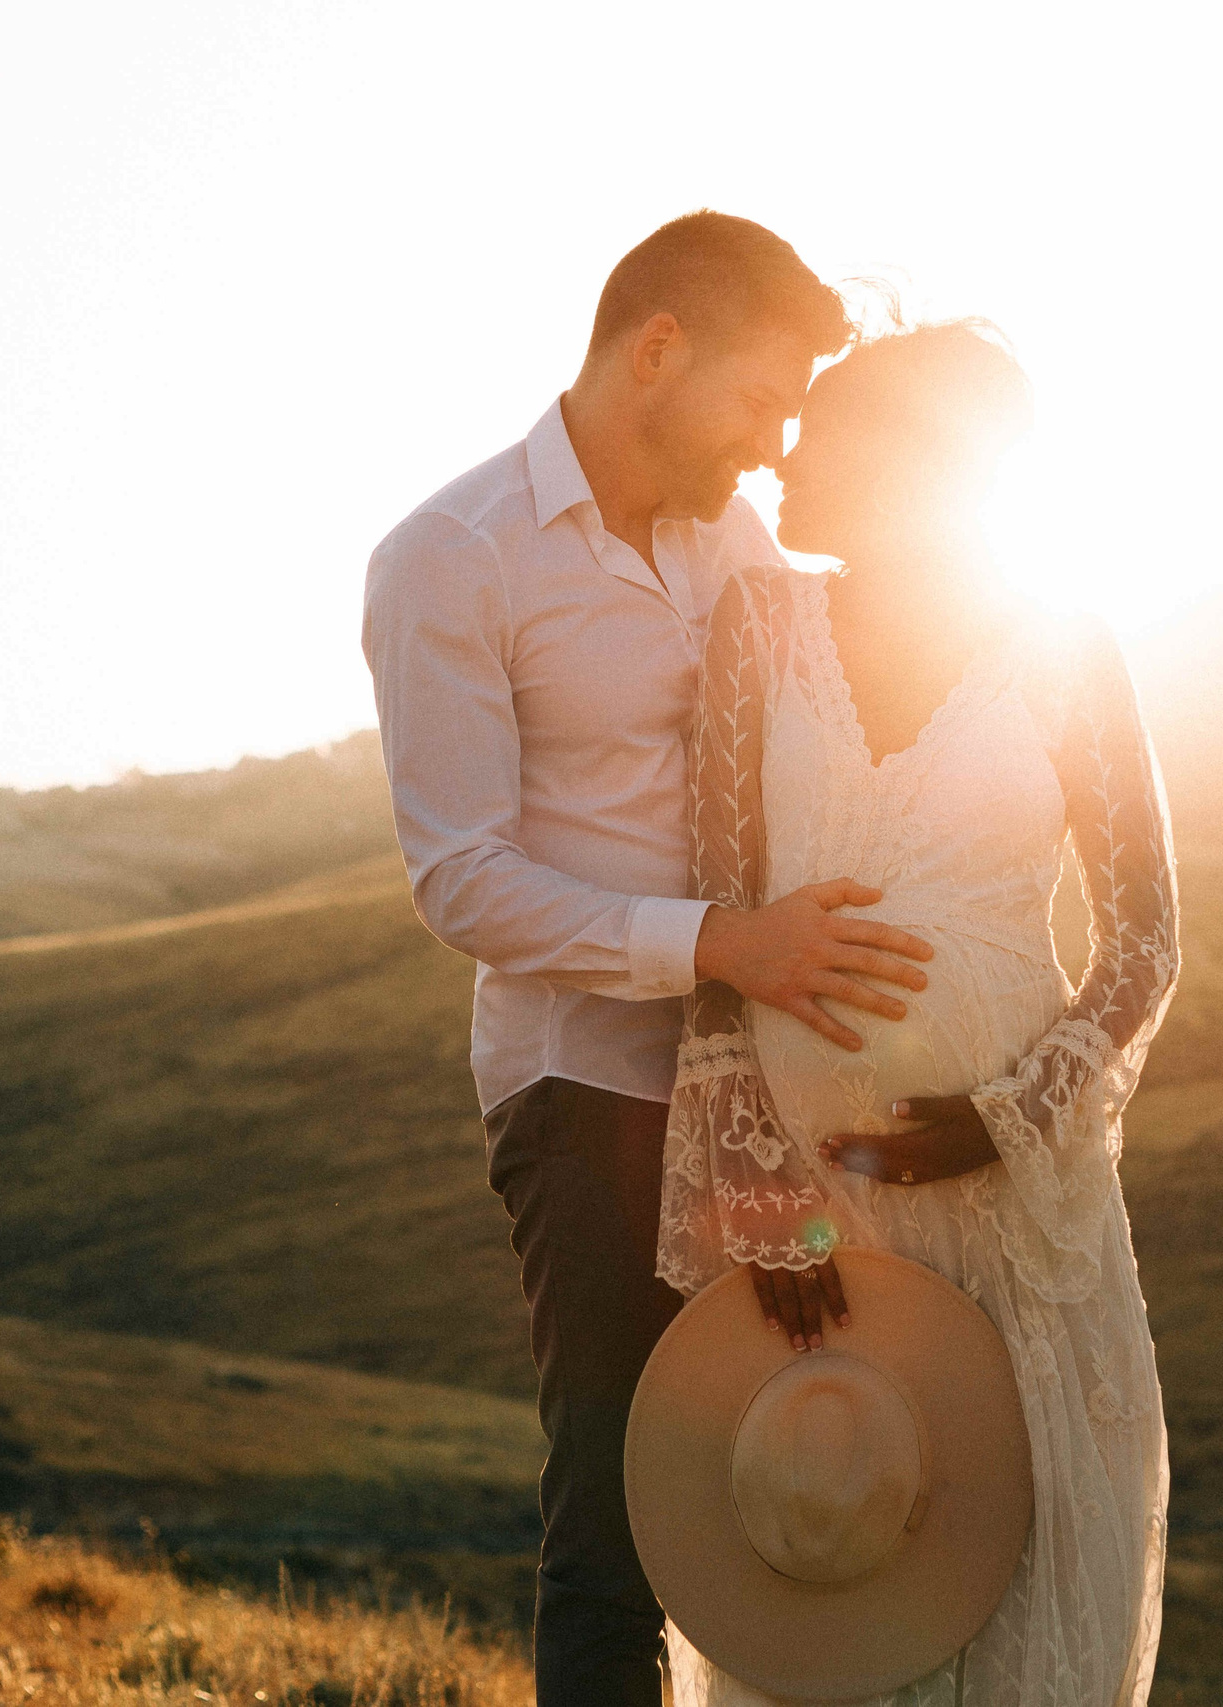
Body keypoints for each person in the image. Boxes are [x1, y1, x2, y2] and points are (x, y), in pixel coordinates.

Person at [360, 212, 937, 1707]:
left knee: (790, 1450)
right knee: (621, 1497)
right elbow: (462, 881)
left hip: (771, 1098)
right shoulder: (449, 559)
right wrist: (718, 946)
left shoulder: (733, 539)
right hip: (587, 1094)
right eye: (759, 400)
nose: (770, 447)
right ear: (656, 351)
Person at [656, 320, 1181, 1706]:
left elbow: (1144, 939)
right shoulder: (757, 627)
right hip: (816, 1197)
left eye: (822, 438)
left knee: (1013, 1577)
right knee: (830, 1548)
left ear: (913, 461)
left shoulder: (1066, 645)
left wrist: (1012, 1116)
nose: (785, 465)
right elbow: (716, 934)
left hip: (1016, 1206)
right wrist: (760, 1190)